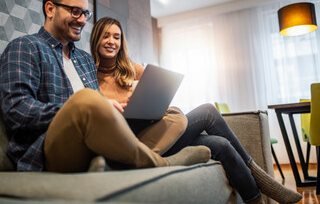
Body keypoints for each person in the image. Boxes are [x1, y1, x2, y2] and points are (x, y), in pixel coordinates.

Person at [0, 0, 211, 175]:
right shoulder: (25, 47)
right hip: (49, 147)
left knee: (175, 115)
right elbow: (16, 109)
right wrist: (82, 109)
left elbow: (98, 106)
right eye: (75, 11)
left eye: (85, 14)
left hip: (94, 142)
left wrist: (116, 108)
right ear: (50, 9)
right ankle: (159, 163)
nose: (81, 20)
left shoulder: (84, 60)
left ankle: (116, 166)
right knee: (86, 100)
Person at [90, 17, 302, 204]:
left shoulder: (133, 69)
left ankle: (256, 199)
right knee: (208, 111)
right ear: (96, 39)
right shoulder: (87, 75)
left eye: (116, 37)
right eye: (106, 36)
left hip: (158, 131)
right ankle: (263, 179)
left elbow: (155, 98)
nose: (112, 41)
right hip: (133, 140)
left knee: (221, 144)